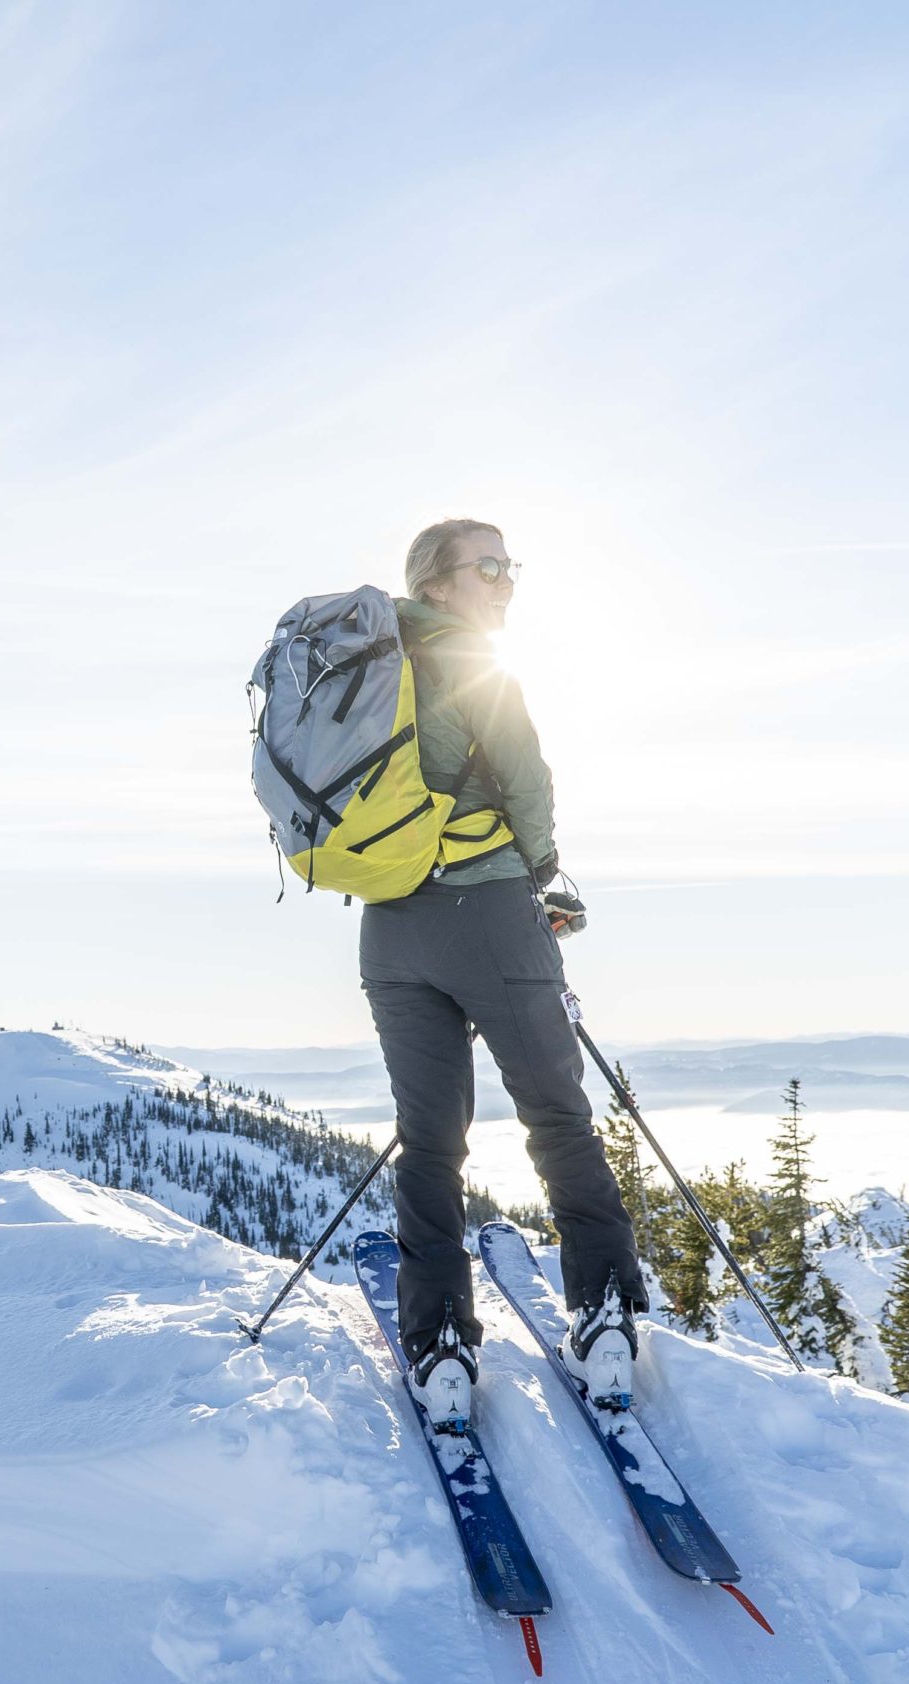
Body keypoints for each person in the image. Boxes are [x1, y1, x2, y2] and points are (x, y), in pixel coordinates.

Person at [365, 517, 648, 1426]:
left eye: (510, 566)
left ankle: (440, 1342)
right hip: (486, 914)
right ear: (436, 583)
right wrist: (539, 877)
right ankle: (603, 1320)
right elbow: (526, 785)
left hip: (388, 932)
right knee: (557, 1114)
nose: (506, 582)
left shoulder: (368, 670)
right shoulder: (473, 662)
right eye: (487, 567)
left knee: (429, 1136)